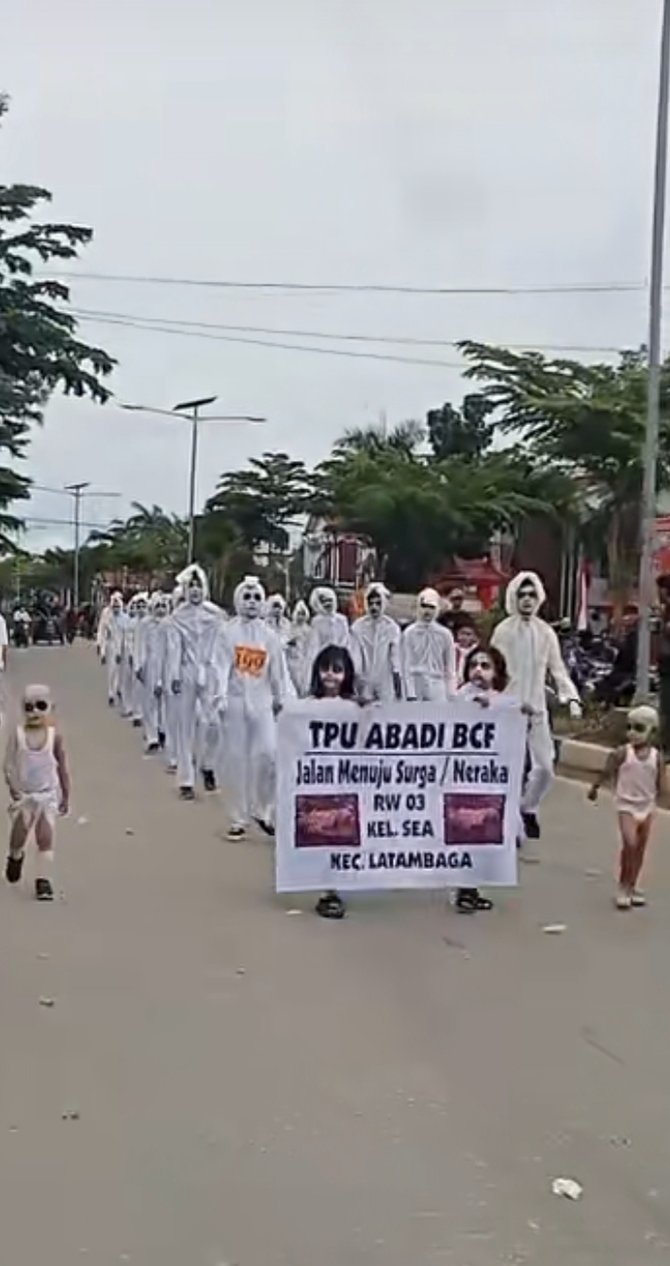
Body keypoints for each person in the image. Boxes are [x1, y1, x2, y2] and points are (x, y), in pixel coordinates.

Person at [492, 571, 582, 841]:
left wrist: (572, 698)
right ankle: (510, 826)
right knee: (509, 768)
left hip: (537, 709)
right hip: (508, 709)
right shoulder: (503, 631)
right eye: (522, 594)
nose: (528, 599)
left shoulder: (545, 633)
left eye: (532, 594)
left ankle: (527, 808)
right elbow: (495, 669)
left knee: (544, 768)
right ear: (514, 597)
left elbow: (558, 669)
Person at [220, 575, 291, 838]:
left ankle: (264, 809)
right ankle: (238, 818)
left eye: (256, 598)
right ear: (239, 599)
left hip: (262, 704)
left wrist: (281, 698)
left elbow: (278, 672)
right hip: (236, 703)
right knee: (237, 760)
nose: (251, 602)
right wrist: (219, 697)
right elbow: (220, 666)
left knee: (269, 755)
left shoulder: (269, 636)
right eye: (247, 597)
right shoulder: (227, 632)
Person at [588, 704, 665, 909]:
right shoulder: (623, 753)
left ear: (652, 732)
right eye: (629, 727)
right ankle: (623, 886)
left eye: (639, 728)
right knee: (629, 844)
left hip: (647, 807)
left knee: (639, 848)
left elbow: (659, 782)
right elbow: (607, 770)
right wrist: (595, 787)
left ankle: (633, 885)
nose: (632, 733)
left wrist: (659, 799)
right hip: (626, 805)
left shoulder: (657, 757)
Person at [3, 684, 70, 901]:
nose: (34, 713)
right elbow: (8, 764)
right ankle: (15, 856)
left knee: (45, 837)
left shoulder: (54, 736)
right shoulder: (18, 734)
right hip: (25, 795)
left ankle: (43, 880)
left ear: (50, 707)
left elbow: (62, 766)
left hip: (47, 794)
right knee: (19, 835)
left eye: (40, 706)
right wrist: (12, 786)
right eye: (29, 707)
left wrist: (65, 795)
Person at [308, 644, 360, 920]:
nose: (330, 675)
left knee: (342, 836)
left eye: (338, 670)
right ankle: (326, 891)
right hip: (316, 784)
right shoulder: (305, 708)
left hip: (346, 784)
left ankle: (335, 889)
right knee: (321, 837)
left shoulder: (355, 708)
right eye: (325, 669)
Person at [167, 564, 224, 800]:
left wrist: (221, 677)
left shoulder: (216, 615)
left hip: (209, 673)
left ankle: (208, 764)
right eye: (190, 587)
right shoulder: (177, 617)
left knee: (213, 723)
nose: (195, 591)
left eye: (198, 586)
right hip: (187, 671)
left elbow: (222, 648)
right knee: (185, 727)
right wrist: (174, 676)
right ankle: (186, 780)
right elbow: (174, 649)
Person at [402, 587, 457, 701]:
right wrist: (409, 692)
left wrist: (451, 692)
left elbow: (450, 667)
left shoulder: (445, 634)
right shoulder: (409, 633)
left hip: (437, 684)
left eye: (431, 607)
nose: (427, 611)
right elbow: (405, 666)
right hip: (416, 682)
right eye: (424, 606)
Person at [350, 582, 402, 701]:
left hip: (385, 679)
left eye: (378, 603)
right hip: (364, 679)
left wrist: (397, 678)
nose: (374, 607)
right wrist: (357, 675)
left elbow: (396, 657)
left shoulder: (391, 627)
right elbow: (355, 653)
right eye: (371, 603)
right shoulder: (358, 627)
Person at [136, 591, 170, 752]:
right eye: (158, 606)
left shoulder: (171, 624)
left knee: (166, 701)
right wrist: (139, 665)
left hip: (168, 665)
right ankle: (152, 737)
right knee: (150, 702)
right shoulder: (145, 624)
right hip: (151, 664)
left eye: (164, 606)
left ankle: (163, 730)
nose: (161, 610)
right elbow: (140, 645)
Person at [304, 586, 351, 688]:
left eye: (330, 600)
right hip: (323, 659)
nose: (328, 604)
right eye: (324, 601)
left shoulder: (342, 620)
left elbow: (346, 640)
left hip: (340, 658)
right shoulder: (317, 621)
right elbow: (314, 644)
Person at [103, 591, 125, 707]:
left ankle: (119, 690)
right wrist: (101, 650)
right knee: (112, 671)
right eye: (114, 605)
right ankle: (111, 693)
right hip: (111, 646)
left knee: (121, 672)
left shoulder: (124, 618)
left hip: (123, 648)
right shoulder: (107, 616)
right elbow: (102, 632)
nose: (116, 607)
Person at [285, 599, 311, 696]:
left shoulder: (308, 629)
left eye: (303, 614)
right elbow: (285, 642)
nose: (301, 616)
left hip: (304, 660)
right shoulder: (290, 627)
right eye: (299, 614)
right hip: (292, 660)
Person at [453, 619, 480, 686]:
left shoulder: (478, 651)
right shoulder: (451, 649)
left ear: (474, 636)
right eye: (462, 633)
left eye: (468, 634)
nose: (464, 637)